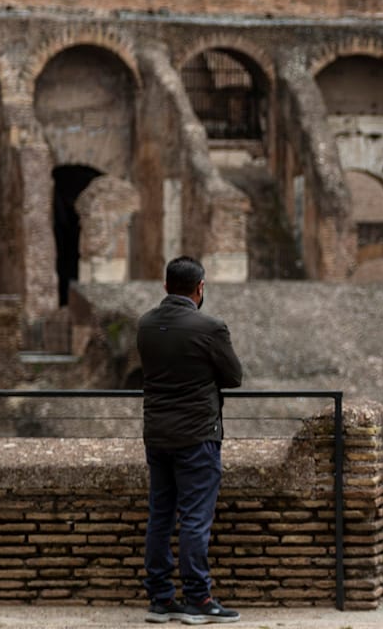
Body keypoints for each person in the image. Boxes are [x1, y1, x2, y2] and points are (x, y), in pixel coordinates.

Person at [138, 256, 245, 624]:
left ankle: (161, 599)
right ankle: (198, 600)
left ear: (166, 286)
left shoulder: (145, 324)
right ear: (200, 288)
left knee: (161, 516)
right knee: (196, 520)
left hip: (157, 434)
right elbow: (233, 377)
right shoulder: (210, 328)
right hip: (198, 435)